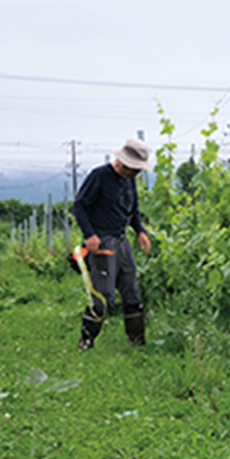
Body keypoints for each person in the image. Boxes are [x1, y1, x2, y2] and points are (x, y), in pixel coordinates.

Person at [72, 138, 152, 350]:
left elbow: (133, 210)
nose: (137, 173)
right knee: (103, 298)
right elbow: (79, 206)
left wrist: (141, 231)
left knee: (132, 293)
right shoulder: (99, 176)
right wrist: (90, 235)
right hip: (102, 242)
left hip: (122, 240)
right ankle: (85, 344)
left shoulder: (129, 180)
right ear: (124, 162)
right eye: (135, 169)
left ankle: (138, 344)